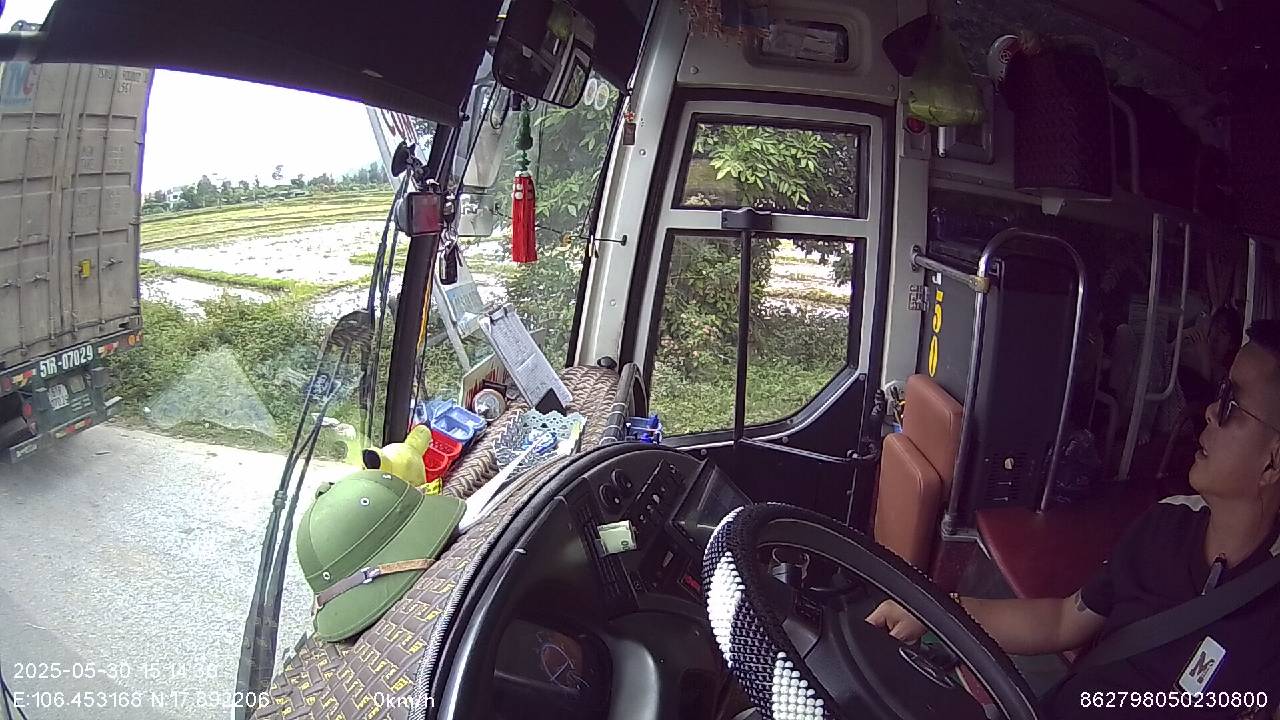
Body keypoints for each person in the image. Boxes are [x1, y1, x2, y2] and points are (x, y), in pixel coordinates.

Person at [867, 320, 1280, 719]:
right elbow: (1064, 620)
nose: (1210, 411)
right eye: (1220, 392)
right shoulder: (1168, 523)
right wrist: (938, 612)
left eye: (1232, 404)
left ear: (1273, 461)